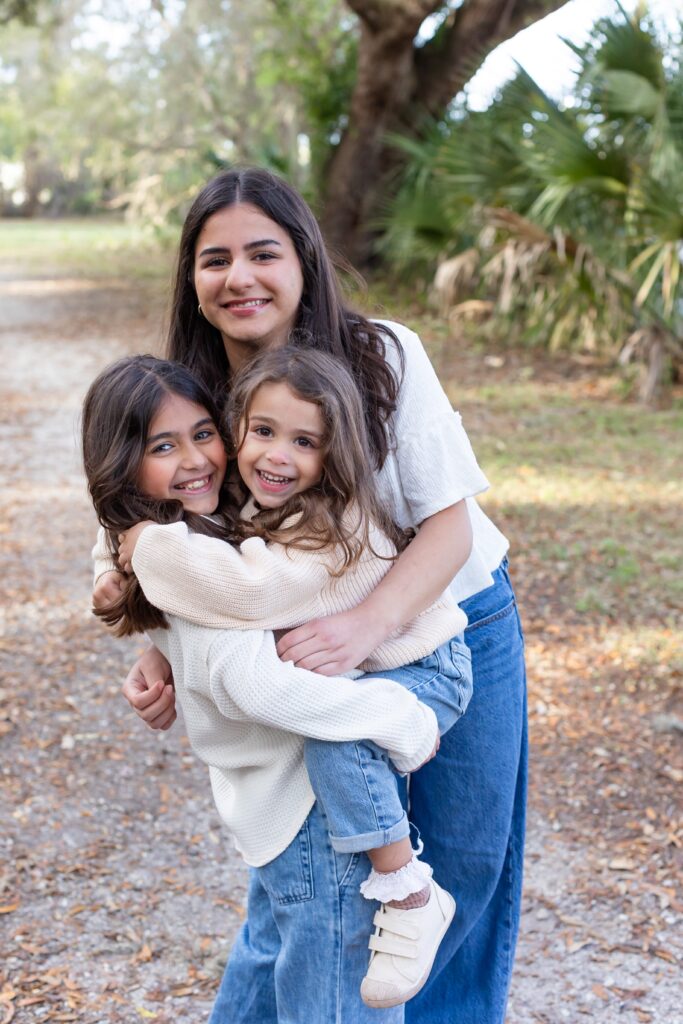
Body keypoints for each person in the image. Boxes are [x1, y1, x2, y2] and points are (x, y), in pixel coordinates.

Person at [94, 167, 527, 1024]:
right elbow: (160, 534)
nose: (239, 277)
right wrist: (157, 644)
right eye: (214, 259)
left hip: (447, 622)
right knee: (316, 881)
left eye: (263, 252)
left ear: (304, 259)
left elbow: (451, 530)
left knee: (467, 869)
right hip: (298, 650)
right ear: (191, 276)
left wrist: (365, 625)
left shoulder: (382, 354)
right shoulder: (192, 394)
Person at [86, 349, 474, 1015]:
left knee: (324, 984)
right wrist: (118, 574)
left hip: (412, 669)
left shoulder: (315, 529)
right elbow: (124, 533)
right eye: (165, 445)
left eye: (202, 435)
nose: (197, 460)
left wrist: (141, 552)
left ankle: (408, 889)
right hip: (282, 794)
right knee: (288, 966)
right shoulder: (223, 507)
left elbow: (247, 625)